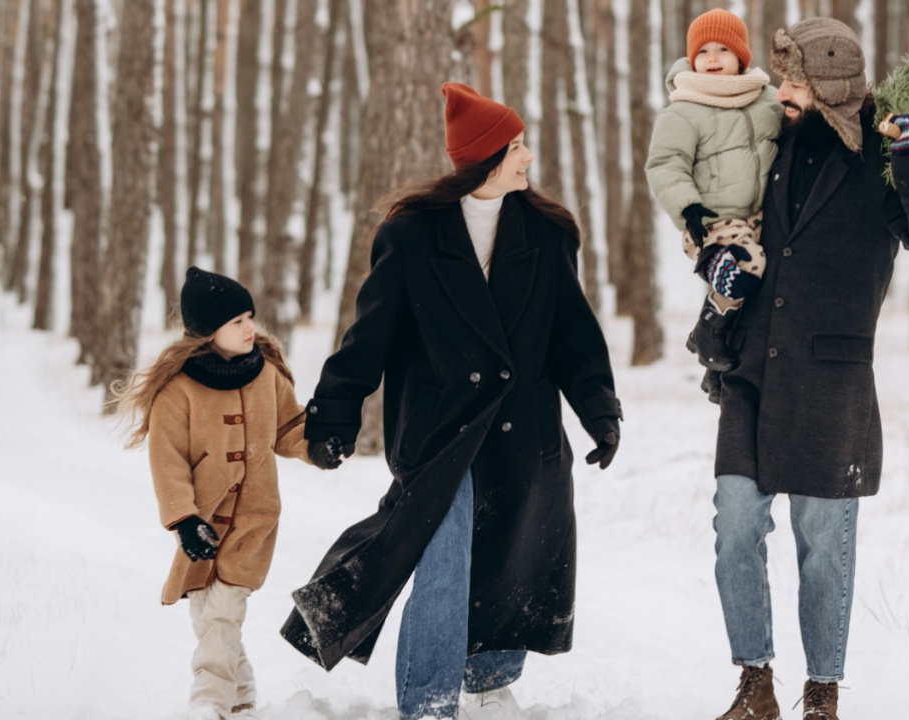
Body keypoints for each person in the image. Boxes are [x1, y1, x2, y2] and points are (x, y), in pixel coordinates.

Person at [280, 82, 622, 720]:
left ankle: (489, 676)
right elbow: (369, 336)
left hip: (523, 428)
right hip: (440, 428)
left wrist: (599, 410)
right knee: (442, 552)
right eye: (516, 147)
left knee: (513, 546)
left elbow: (573, 335)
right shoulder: (412, 235)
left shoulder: (547, 235)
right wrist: (334, 415)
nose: (527, 157)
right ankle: (430, 702)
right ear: (487, 158)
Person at [706, 18, 909, 720]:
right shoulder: (771, 143)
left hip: (831, 380)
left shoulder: (883, 159)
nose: (781, 91)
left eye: (795, 80)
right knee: (734, 527)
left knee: (824, 544)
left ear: (831, 85)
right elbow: (730, 216)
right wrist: (715, 259)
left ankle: (822, 693)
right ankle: (754, 682)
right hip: (752, 368)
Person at [115, 267, 317, 720]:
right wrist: (184, 520)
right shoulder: (178, 390)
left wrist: (316, 445)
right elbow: (167, 462)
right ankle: (241, 697)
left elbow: (288, 428)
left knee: (223, 610)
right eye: (237, 322)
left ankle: (209, 703)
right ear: (208, 332)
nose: (250, 328)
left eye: (250, 316)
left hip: (256, 519)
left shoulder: (266, 376)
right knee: (209, 616)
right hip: (201, 520)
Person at [646, 8, 782, 394]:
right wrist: (687, 206)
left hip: (761, 216)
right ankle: (710, 330)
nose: (712, 58)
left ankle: (717, 370)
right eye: (703, 51)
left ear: (741, 56)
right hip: (712, 222)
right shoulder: (685, 109)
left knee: (766, 290)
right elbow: (665, 164)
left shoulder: (766, 98)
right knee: (746, 267)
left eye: (723, 48)